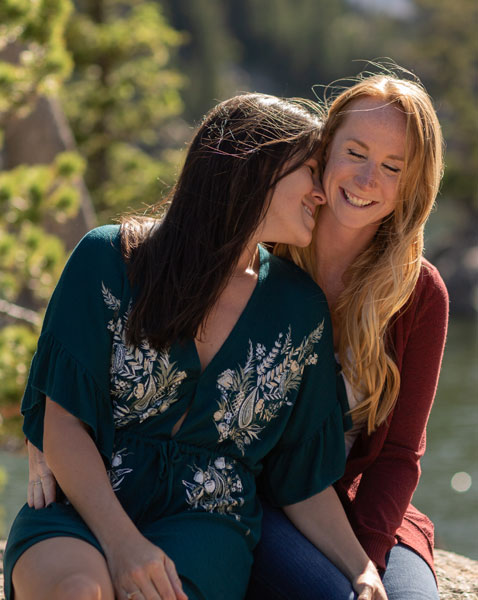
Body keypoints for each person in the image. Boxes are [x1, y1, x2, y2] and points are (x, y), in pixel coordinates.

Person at [4, 93, 387, 600]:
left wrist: (361, 568)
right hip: (85, 502)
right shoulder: (108, 259)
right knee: (77, 589)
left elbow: (303, 481)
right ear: (257, 169)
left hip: (207, 523)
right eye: (312, 172)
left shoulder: (299, 312)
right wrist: (122, 546)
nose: (321, 193)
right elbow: (64, 420)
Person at [246, 74, 448, 600]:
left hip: (367, 511)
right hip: (262, 502)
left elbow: (399, 454)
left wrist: (367, 560)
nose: (366, 179)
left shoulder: (420, 292)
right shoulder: (261, 257)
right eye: (355, 152)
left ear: (412, 184)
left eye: (392, 167)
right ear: (324, 147)